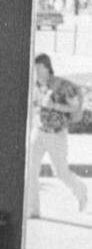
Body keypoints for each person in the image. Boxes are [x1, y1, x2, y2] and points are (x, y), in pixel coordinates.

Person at [27, 51, 87, 216]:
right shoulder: (35, 86)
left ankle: (81, 190)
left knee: (60, 172)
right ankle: (34, 210)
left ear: (47, 68)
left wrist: (55, 106)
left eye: (38, 68)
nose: (35, 72)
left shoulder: (61, 85)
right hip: (38, 133)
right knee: (30, 171)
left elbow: (75, 107)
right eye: (34, 68)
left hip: (57, 134)